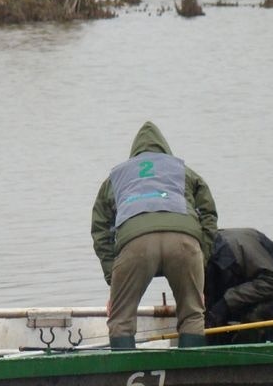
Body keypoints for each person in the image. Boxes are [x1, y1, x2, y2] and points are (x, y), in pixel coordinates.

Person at [91, 121, 218, 349]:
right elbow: (208, 214)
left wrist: (114, 278)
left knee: (121, 320)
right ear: (165, 150)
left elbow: (100, 228)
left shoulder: (117, 177)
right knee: (192, 315)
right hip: (184, 241)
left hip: (135, 243)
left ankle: (123, 376)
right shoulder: (183, 171)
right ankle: (191, 376)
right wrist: (202, 260)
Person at [204, 228, 273, 338]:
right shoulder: (201, 254)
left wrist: (227, 302)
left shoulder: (241, 245)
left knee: (250, 323)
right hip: (258, 292)